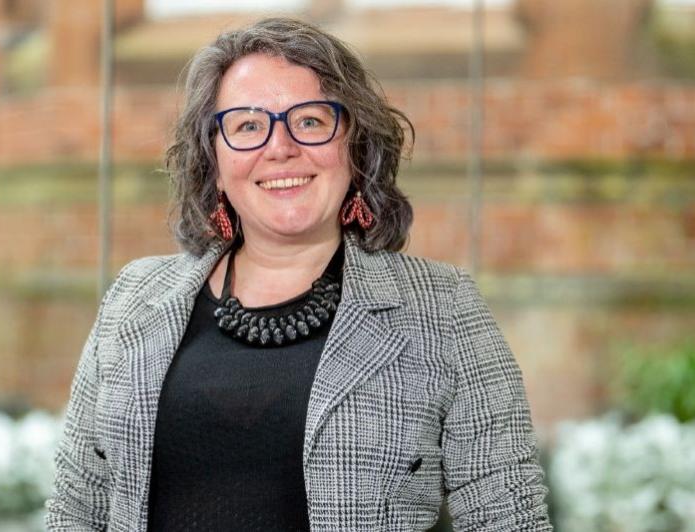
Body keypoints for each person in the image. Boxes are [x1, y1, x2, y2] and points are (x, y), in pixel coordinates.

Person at [46, 17, 551, 532]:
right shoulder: (133, 297)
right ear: (213, 161)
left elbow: (508, 517)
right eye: (247, 125)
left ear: (354, 147)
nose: (280, 147)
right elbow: (75, 509)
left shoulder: (442, 307)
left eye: (309, 121)